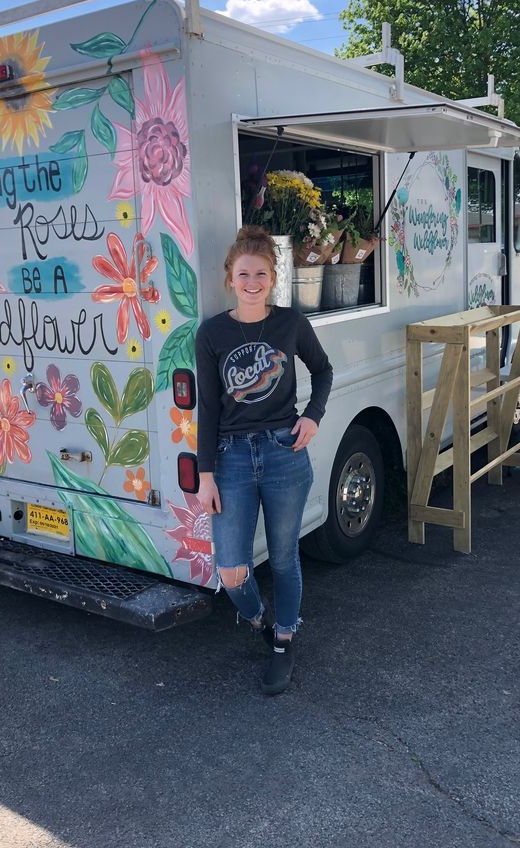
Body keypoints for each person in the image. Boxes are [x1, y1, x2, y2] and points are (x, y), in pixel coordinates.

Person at [195, 226, 333, 695]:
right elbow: (209, 407)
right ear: (229, 278)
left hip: (283, 453)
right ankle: (258, 620)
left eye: (260, 273)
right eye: (243, 273)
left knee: (283, 555)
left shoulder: (290, 323)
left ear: (272, 278)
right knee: (231, 569)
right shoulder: (211, 332)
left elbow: (324, 369)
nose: (251, 280)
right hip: (231, 459)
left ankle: (285, 638)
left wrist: (313, 416)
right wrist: (205, 474)